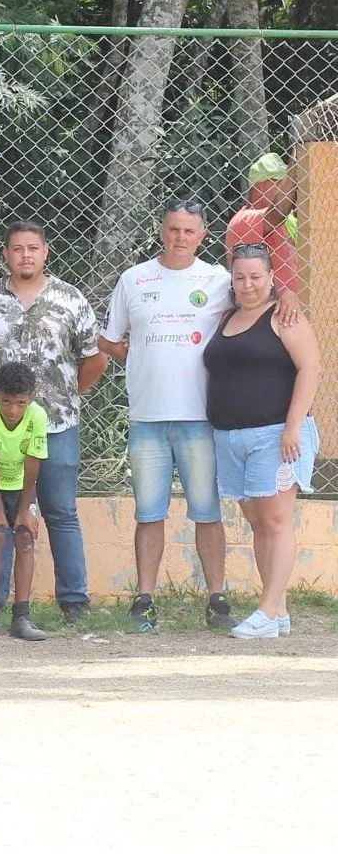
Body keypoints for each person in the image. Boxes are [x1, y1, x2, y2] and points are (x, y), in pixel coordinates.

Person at [99, 202, 302, 632]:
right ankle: (144, 599)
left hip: (201, 418)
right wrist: (141, 358)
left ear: (202, 236)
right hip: (147, 418)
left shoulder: (219, 280)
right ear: (162, 230)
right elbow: (110, 340)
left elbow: (258, 292)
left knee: (207, 513)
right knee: (148, 513)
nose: (180, 237)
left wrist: (289, 293)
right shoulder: (133, 279)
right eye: (173, 229)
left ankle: (217, 597)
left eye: (189, 231)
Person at [0, 220, 105, 623]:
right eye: (18, 248)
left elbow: (94, 359)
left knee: (60, 511)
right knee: (1, 514)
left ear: (46, 253)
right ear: (5, 254)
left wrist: (66, 395)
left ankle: (74, 601)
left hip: (56, 424)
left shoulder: (70, 298)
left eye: (33, 248)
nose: (26, 255)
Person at [205, 243, 321, 639]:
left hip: (275, 434)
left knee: (275, 521)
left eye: (256, 276)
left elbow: (310, 368)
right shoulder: (225, 316)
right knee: (257, 522)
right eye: (240, 277)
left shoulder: (284, 316)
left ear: (272, 277)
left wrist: (292, 426)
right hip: (231, 437)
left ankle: (267, 611)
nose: (248, 284)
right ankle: (278, 609)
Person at [0, 363, 49, 642]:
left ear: (31, 399)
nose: (13, 410)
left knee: (25, 537)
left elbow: (33, 460)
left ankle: (21, 616)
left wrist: (25, 509)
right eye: (6, 402)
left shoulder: (38, 415)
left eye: (20, 403)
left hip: (22, 483)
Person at [225, 152, 300, 294]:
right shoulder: (243, 221)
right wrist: (297, 156)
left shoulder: (289, 221)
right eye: (280, 182)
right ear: (259, 187)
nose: (289, 188)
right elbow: (278, 211)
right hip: (268, 304)